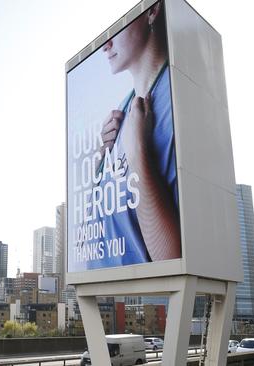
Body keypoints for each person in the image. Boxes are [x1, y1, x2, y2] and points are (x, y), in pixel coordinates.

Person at [89, 1, 180, 266]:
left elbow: (171, 260)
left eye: (117, 26)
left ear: (152, 11)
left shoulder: (175, 98)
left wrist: (137, 149)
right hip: (108, 293)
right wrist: (99, 162)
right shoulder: (122, 113)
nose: (105, 45)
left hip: (144, 301)